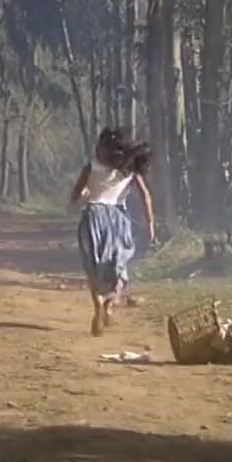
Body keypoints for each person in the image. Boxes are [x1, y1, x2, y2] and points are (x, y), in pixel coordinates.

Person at [68, 126, 157, 337]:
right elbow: (145, 196)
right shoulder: (130, 171)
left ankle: (98, 304)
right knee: (118, 263)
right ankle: (108, 305)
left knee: (93, 265)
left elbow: (76, 195)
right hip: (118, 220)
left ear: (105, 149)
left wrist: (85, 193)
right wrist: (150, 223)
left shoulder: (91, 167)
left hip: (93, 217)